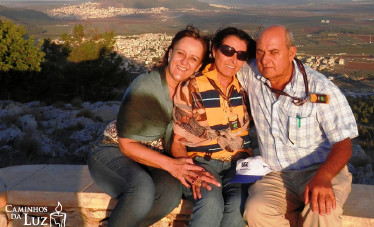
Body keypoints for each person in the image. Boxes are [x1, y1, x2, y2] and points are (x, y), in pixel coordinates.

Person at [88, 25, 220, 227]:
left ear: (200, 65)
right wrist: (173, 166)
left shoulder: (193, 90)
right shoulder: (146, 87)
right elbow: (126, 144)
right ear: (170, 53)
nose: (184, 62)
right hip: (113, 150)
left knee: (170, 193)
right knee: (141, 187)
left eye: (193, 58)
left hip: (152, 157)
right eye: (181, 54)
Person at [238, 25, 358, 227]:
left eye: (274, 52)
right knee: (256, 210)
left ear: (291, 53)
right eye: (260, 52)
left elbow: (343, 144)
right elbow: (221, 67)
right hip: (276, 174)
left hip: (318, 169)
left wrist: (324, 177)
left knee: (322, 210)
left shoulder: (320, 89)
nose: (265, 59)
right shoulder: (252, 75)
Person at [171, 27, 256, 227]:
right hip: (203, 162)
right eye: (228, 51)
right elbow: (178, 142)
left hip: (240, 162)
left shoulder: (246, 86)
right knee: (210, 201)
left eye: (241, 55)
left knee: (239, 204)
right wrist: (191, 171)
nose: (233, 59)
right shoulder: (192, 87)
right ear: (215, 51)